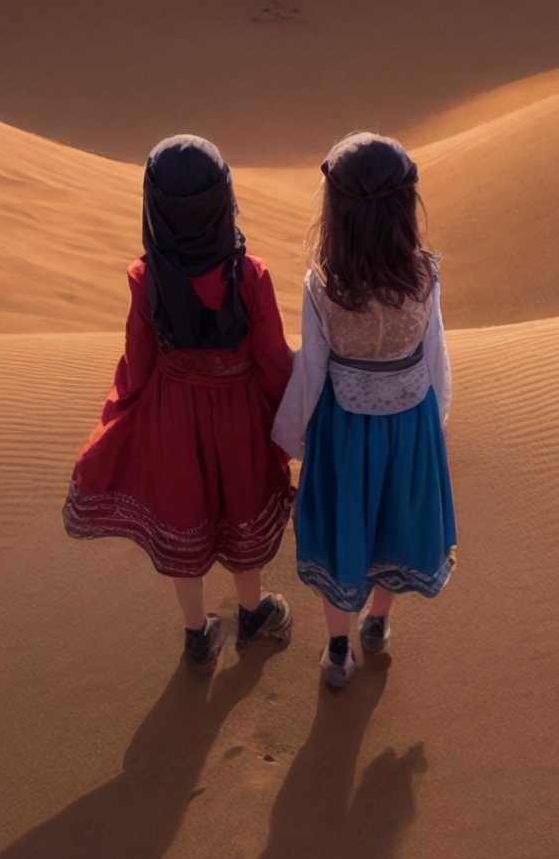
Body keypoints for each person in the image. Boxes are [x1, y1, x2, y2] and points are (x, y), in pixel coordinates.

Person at [62, 133, 294, 670]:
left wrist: (123, 411)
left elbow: (138, 362)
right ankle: (253, 616)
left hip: (173, 419)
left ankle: (197, 636)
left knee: (185, 514)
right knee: (241, 508)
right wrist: (291, 416)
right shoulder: (251, 275)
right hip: (238, 418)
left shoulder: (147, 279)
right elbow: (274, 361)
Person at [273, 131, 455, 688]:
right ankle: (377, 623)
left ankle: (336, 651)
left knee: (344, 530)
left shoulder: (323, 285)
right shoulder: (424, 274)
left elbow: (312, 370)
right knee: (394, 523)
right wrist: (435, 419)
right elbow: (437, 356)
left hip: (345, 432)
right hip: (409, 425)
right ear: (404, 208)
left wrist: (294, 441)